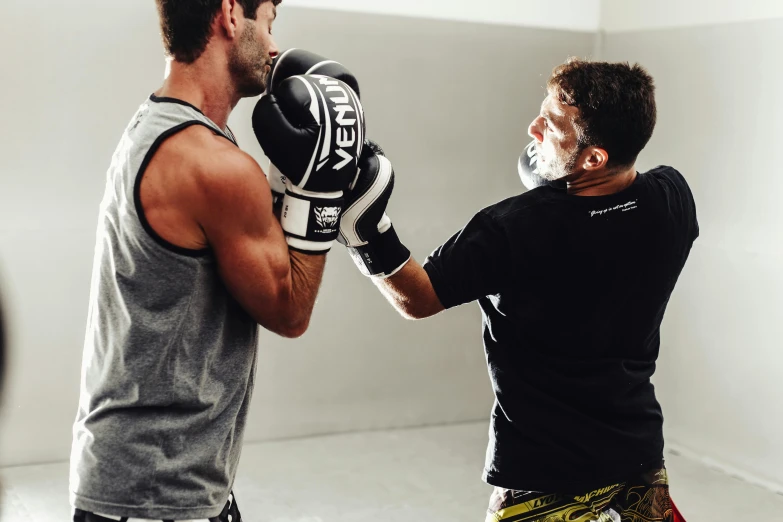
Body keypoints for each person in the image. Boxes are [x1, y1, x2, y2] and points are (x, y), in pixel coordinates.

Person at [338, 58, 698, 521]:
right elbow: (611, 215)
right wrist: (568, 188)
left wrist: (366, 231)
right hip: (637, 457)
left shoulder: (513, 228)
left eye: (550, 123)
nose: (533, 128)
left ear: (593, 158)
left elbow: (419, 299)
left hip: (543, 472)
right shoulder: (673, 198)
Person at [69, 1, 368, 521]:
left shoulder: (156, 127)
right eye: (269, 22)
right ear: (231, 14)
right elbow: (289, 311)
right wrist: (319, 198)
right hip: (158, 490)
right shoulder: (215, 166)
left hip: (150, 479)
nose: (275, 48)